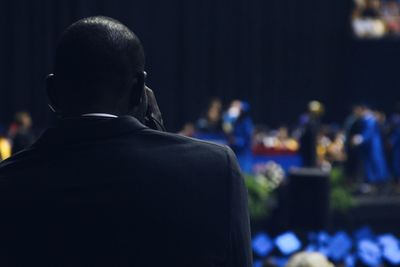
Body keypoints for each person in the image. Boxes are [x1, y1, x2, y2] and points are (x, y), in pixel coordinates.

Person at [0, 16, 252, 267]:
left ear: (52, 92)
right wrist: (159, 133)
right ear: (140, 90)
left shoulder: (8, 181)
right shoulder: (216, 169)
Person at [351, 105, 390, 184]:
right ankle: (374, 181)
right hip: (369, 145)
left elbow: (368, 133)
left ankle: (378, 181)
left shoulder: (369, 120)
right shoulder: (365, 119)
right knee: (370, 164)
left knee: (375, 163)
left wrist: (360, 139)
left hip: (372, 145)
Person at [223, 100, 253, 173]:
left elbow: (246, 140)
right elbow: (226, 131)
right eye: (233, 106)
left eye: (236, 106)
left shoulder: (246, 122)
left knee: (243, 175)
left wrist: (236, 141)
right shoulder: (229, 119)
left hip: (243, 156)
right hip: (231, 154)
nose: (234, 108)